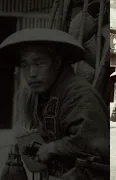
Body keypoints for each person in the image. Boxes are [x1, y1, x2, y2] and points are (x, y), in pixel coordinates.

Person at [0, 28, 109, 179]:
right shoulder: (45, 94)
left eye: (39, 63)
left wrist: (53, 148)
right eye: (25, 65)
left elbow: (94, 144)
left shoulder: (78, 94)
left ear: (57, 62)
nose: (31, 73)